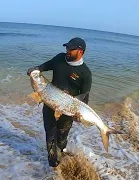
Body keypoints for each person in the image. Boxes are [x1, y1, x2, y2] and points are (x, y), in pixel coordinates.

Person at [27, 37, 92, 167]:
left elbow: (84, 99)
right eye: (66, 48)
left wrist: (79, 115)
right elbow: (45, 66)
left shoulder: (85, 73)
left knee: (62, 138)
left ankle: (60, 152)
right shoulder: (59, 58)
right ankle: (53, 166)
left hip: (68, 110)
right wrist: (35, 69)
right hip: (50, 104)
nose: (67, 50)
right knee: (50, 136)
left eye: (70, 49)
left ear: (80, 52)